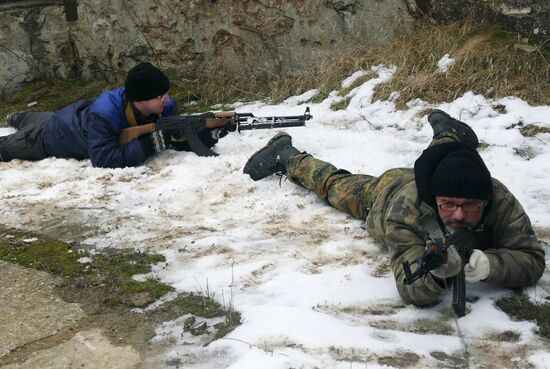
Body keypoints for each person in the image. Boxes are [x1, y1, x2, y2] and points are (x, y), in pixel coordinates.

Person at [242, 110, 545, 307]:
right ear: (434, 199)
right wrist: (438, 274)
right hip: (385, 193)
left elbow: (532, 259)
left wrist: (492, 265)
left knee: (443, 157)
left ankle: (446, 131)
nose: (459, 216)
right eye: (448, 205)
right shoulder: (406, 211)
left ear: (485, 200)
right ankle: (286, 154)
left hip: (433, 174)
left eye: (470, 206)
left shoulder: (498, 197)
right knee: (334, 186)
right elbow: (408, 285)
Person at [0, 62, 220, 168]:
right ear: (141, 99)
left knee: (30, 118)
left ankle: (18, 116)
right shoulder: (104, 114)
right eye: (160, 96)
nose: (167, 99)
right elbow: (103, 159)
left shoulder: (164, 106)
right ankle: (17, 121)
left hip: (75, 116)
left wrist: (206, 134)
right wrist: (147, 146)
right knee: (8, 146)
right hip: (57, 135)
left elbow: (176, 136)